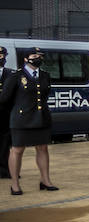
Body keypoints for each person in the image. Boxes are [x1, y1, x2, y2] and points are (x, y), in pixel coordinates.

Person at [3, 48, 57, 196]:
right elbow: (4, 99)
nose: (38, 58)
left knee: (42, 148)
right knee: (18, 150)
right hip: (22, 119)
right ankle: (15, 185)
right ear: (26, 59)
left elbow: (44, 97)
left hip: (41, 117)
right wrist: (17, 111)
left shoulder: (45, 75)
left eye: (40, 56)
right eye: (35, 56)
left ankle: (45, 181)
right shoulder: (16, 76)